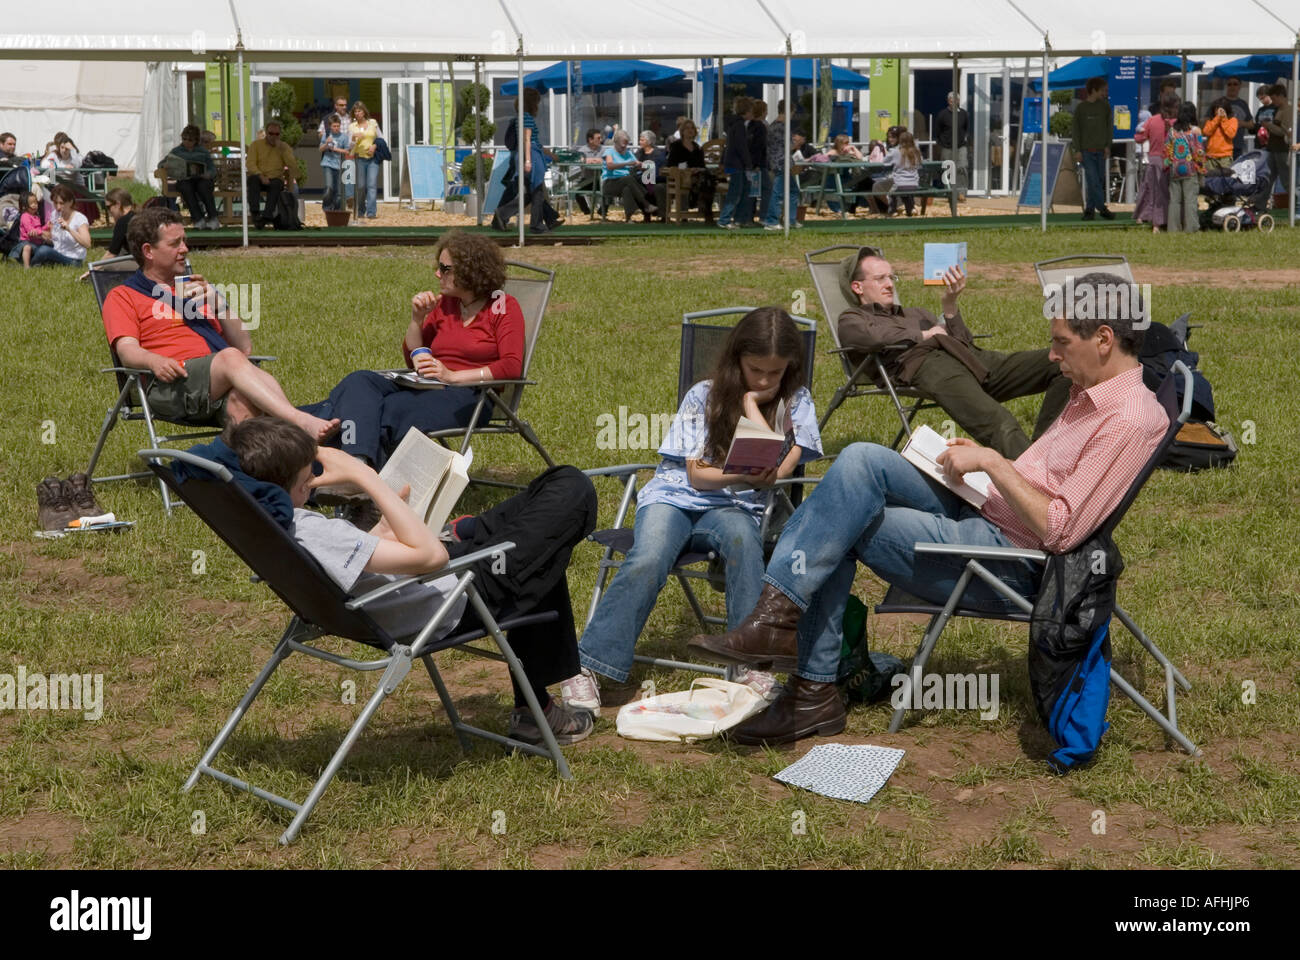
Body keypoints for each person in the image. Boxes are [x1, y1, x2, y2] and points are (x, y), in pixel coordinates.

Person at [687, 273, 1167, 745]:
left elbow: (1060, 531)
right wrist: (980, 469)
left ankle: (810, 684)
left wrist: (994, 463)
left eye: (1061, 342)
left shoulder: (1127, 420)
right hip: (986, 508)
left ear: (1103, 338)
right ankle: (778, 624)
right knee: (860, 460)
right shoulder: (1090, 394)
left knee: (847, 522)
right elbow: (1046, 480)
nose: (1051, 354)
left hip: (1011, 560)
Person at [227, 416, 598, 747]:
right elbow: (431, 558)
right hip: (462, 592)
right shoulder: (310, 531)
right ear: (287, 484)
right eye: (308, 478)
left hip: (420, 584)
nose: (315, 482)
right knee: (571, 487)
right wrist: (367, 479)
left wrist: (388, 524)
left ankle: (468, 530)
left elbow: (355, 563)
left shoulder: (274, 525)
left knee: (541, 520)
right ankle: (536, 712)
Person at [560, 307, 823, 715]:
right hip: (674, 497)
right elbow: (696, 475)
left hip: (735, 507)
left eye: (776, 372)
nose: (766, 380)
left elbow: (789, 462)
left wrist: (761, 432)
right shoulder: (703, 394)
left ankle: (749, 666)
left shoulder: (796, 401)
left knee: (742, 542)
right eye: (756, 370)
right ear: (737, 359)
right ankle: (588, 665)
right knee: (648, 557)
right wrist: (749, 418)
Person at [100, 206, 338, 439]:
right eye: (175, 244)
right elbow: (127, 351)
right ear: (148, 251)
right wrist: (153, 360)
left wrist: (218, 303)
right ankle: (299, 424)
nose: (185, 248)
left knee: (242, 403)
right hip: (171, 386)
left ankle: (248, 472)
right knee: (231, 357)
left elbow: (245, 347)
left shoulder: (195, 290)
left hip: (213, 384)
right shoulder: (123, 296)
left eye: (184, 240)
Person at [304, 231, 523, 469]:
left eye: (445, 268)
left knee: (379, 411)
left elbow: (511, 366)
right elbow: (413, 359)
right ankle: (357, 464)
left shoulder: (502, 304)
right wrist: (417, 319)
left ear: (470, 271)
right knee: (359, 381)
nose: (437, 273)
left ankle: (327, 471)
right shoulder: (446, 304)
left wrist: (452, 376)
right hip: (426, 383)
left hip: (470, 395)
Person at [835, 248, 1069, 459]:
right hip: (931, 369)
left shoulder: (915, 313)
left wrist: (950, 305)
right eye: (880, 279)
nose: (889, 284)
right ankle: (1034, 480)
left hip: (976, 361)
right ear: (858, 287)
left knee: (1063, 360)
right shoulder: (853, 319)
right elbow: (875, 338)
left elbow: (963, 341)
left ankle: (1042, 449)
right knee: (1001, 422)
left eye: (891, 277)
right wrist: (925, 335)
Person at [492, 88, 561, 234]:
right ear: (532, 103)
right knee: (535, 192)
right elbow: (527, 140)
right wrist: (528, 160)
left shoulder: (520, 117)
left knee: (534, 193)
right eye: (537, 101)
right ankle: (533, 224)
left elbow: (531, 141)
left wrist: (549, 153)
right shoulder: (527, 118)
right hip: (531, 157)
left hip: (529, 155)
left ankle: (508, 215)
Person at [1134, 91, 1179, 232]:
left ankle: (1149, 220)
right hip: (1169, 160)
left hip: (1153, 160)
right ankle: (1161, 222)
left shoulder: (1152, 120)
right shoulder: (1176, 123)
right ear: (1174, 107)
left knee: (1152, 191)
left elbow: (1139, 138)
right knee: (1167, 193)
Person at [1072, 77, 1115, 220]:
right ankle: (1102, 208)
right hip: (1086, 152)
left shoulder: (1105, 107)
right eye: (1103, 90)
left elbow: (1109, 128)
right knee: (1093, 180)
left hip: (1101, 151)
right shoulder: (1081, 108)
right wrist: (1077, 150)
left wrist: (1108, 146)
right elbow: (1076, 130)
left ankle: (1089, 210)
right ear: (1094, 90)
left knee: (1097, 181)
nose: (1105, 93)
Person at [164, 124, 220, 230]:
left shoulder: (203, 151)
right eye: (184, 139)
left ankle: (213, 218)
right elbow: (162, 164)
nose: (186, 142)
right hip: (185, 179)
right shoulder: (176, 151)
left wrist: (208, 174)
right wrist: (166, 165)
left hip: (201, 178)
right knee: (185, 187)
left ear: (196, 140)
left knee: (203, 187)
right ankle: (198, 219)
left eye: (190, 140)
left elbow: (212, 168)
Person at [24, 183, 91, 266]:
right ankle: (34, 263)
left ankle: (30, 265)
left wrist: (69, 229)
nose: (58, 207)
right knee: (29, 247)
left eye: (61, 203)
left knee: (43, 250)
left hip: (73, 259)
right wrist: (39, 234)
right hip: (57, 253)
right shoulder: (55, 214)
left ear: (70, 202)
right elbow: (52, 238)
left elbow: (87, 244)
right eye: (55, 203)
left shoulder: (79, 218)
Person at [246, 120, 297, 228]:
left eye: (277, 134)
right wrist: (261, 175)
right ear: (266, 133)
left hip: (275, 178)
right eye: (271, 134)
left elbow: (292, 165)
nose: (273, 136)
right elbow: (250, 163)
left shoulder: (284, 147)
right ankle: (255, 213)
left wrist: (283, 150)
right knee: (252, 180)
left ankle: (266, 215)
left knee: (276, 184)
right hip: (259, 176)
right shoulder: (256, 145)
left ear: (280, 134)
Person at [1164, 102, 1205, 234]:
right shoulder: (1195, 131)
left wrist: (1170, 163)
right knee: (1190, 200)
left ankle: (1173, 228)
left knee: (1174, 200)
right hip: (1190, 169)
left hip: (1175, 169)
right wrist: (1201, 170)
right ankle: (1191, 227)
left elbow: (1166, 150)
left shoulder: (1172, 131)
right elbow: (1199, 153)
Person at [665, 119, 716, 223]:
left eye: (692, 128)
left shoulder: (697, 148)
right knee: (705, 180)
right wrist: (688, 169)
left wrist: (697, 169)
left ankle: (705, 208)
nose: (690, 130)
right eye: (687, 128)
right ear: (682, 131)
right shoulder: (676, 146)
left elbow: (702, 166)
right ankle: (706, 210)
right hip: (682, 176)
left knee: (708, 178)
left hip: (698, 176)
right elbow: (671, 165)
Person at [599, 129, 654, 223]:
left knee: (627, 188)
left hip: (626, 182)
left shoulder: (628, 153)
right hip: (610, 183)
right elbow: (610, 165)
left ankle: (629, 218)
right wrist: (627, 163)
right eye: (622, 146)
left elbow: (638, 164)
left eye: (626, 145)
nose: (624, 148)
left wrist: (642, 166)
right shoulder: (609, 152)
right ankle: (646, 204)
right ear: (616, 142)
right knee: (628, 179)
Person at [762, 101, 800, 230]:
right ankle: (771, 221)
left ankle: (790, 219)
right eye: (793, 113)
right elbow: (788, 147)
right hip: (782, 163)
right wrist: (797, 143)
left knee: (793, 190)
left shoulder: (772, 125)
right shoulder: (783, 127)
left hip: (775, 162)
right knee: (778, 192)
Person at [717, 96, 753, 229]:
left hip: (731, 163)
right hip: (737, 164)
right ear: (746, 111)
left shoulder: (733, 125)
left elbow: (729, 145)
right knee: (736, 191)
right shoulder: (740, 126)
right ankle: (724, 219)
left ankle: (738, 219)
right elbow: (741, 146)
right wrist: (748, 163)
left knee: (741, 190)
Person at [1260, 85, 1293, 200]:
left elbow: (1284, 132)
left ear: (1281, 96)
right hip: (1274, 148)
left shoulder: (1288, 110)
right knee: (1267, 178)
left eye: (1274, 98)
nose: (1273, 102)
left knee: (1286, 180)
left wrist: (1268, 125)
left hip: (1282, 150)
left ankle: (1296, 205)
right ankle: (1260, 204)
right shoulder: (1279, 110)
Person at [348, 101, 381, 219]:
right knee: (361, 186)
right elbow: (349, 146)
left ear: (364, 112)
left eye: (359, 111)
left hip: (373, 158)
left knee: (371, 185)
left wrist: (374, 146)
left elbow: (381, 139)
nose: (357, 113)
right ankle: (361, 210)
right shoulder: (352, 127)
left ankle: (371, 212)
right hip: (359, 158)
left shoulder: (373, 123)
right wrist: (353, 138)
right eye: (355, 112)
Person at [935, 91, 970, 201]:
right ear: (948, 101)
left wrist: (965, 139)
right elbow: (937, 131)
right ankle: (949, 192)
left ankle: (961, 193)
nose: (953, 102)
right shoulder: (942, 114)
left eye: (955, 100)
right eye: (951, 100)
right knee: (948, 170)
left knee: (962, 167)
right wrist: (942, 143)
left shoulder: (964, 114)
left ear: (958, 101)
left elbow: (967, 129)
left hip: (960, 146)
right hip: (947, 146)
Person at [879, 129, 922, 216]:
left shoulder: (895, 152)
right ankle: (911, 209)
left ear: (900, 141)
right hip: (914, 183)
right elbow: (920, 165)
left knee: (891, 194)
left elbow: (885, 162)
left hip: (899, 183)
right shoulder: (917, 152)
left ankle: (893, 211)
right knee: (905, 193)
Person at [745, 100, 770, 228]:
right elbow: (760, 146)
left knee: (752, 192)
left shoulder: (749, 125)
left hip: (751, 163)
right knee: (766, 190)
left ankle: (749, 217)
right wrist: (757, 164)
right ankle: (764, 216)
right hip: (759, 164)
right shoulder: (761, 126)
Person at [7, 191, 49, 268]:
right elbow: (30, 229)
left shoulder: (36, 217)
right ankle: (26, 266)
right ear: (24, 206)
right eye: (32, 203)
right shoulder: (25, 216)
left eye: (36, 202)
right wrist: (42, 232)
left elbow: (38, 229)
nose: (35, 205)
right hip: (26, 242)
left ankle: (36, 263)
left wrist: (46, 227)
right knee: (27, 248)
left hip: (37, 243)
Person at [634, 129, 668, 221]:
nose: (639, 142)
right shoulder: (639, 152)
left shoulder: (657, 153)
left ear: (649, 142)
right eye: (640, 140)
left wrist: (644, 166)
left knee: (648, 184)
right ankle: (646, 213)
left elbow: (657, 167)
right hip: (642, 178)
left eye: (642, 140)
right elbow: (634, 163)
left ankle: (658, 213)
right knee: (636, 185)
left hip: (655, 178)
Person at [319, 113, 348, 211]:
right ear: (330, 127)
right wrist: (326, 143)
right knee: (329, 187)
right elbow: (320, 149)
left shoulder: (344, 137)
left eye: (338, 126)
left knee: (338, 192)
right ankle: (326, 208)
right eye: (334, 126)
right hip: (327, 164)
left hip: (339, 165)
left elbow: (347, 151)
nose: (336, 128)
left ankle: (336, 209)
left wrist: (335, 149)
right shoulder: (326, 135)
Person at [1201, 98, 1238, 175]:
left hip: (1225, 157)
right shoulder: (1211, 121)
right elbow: (1206, 132)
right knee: (1210, 181)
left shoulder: (1232, 120)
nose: (1219, 112)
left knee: (1225, 181)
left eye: (1221, 110)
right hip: (1210, 158)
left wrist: (1223, 119)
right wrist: (1217, 118)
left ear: (1226, 110)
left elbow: (1231, 134)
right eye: (1217, 110)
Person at [574, 127, 605, 216]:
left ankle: (601, 212)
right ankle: (587, 212)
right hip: (587, 180)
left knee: (609, 191)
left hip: (601, 179)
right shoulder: (582, 150)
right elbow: (580, 160)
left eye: (600, 138)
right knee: (576, 193)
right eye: (598, 138)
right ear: (590, 140)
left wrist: (590, 160)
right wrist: (595, 160)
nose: (601, 140)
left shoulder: (603, 149)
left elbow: (607, 160)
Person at [1222, 77, 1253, 157]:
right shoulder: (1219, 103)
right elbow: (1207, 120)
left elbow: (1251, 124)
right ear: (1226, 86)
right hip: (1221, 146)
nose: (1232, 87)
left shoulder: (1243, 104)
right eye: (1229, 84)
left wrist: (1242, 123)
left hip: (1238, 146)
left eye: (1235, 84)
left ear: (1239, 86)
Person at [105, 187, 135, 257]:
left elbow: (112, 253)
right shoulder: (138, 213)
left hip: (139, 263)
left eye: (108, 207)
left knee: (108, 266)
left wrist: (94, 267)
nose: (109, 211)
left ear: (118, 204)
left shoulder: (123, 221)